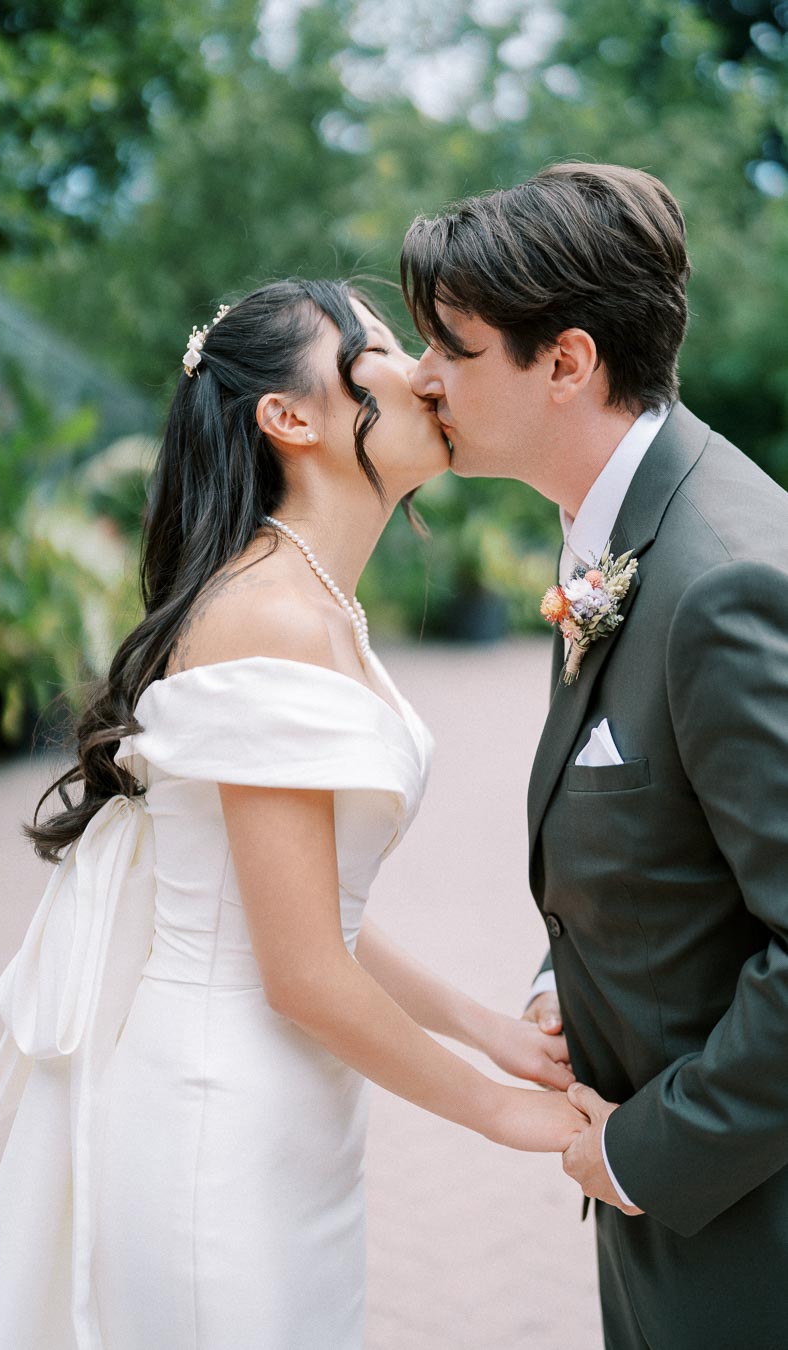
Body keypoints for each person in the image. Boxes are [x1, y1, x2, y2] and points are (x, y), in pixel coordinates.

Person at [0, 278, 584, 1350]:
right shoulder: (269, 617)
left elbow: (302, 909)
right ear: (289, 419)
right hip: (217, 1122)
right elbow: (302, 971)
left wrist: (489, 1033)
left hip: (289, 1110)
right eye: (379, 349)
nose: (427, 372)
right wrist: (497, 1112)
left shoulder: (314, 602)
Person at [402, 162, 788, 1350]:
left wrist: (636, 1152)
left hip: (746, 1228)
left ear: (566, 363)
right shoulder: (619, 537)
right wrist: (562, 983)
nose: (422, 378)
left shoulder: (722, 576)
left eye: (453, 348)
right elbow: (662, 830)